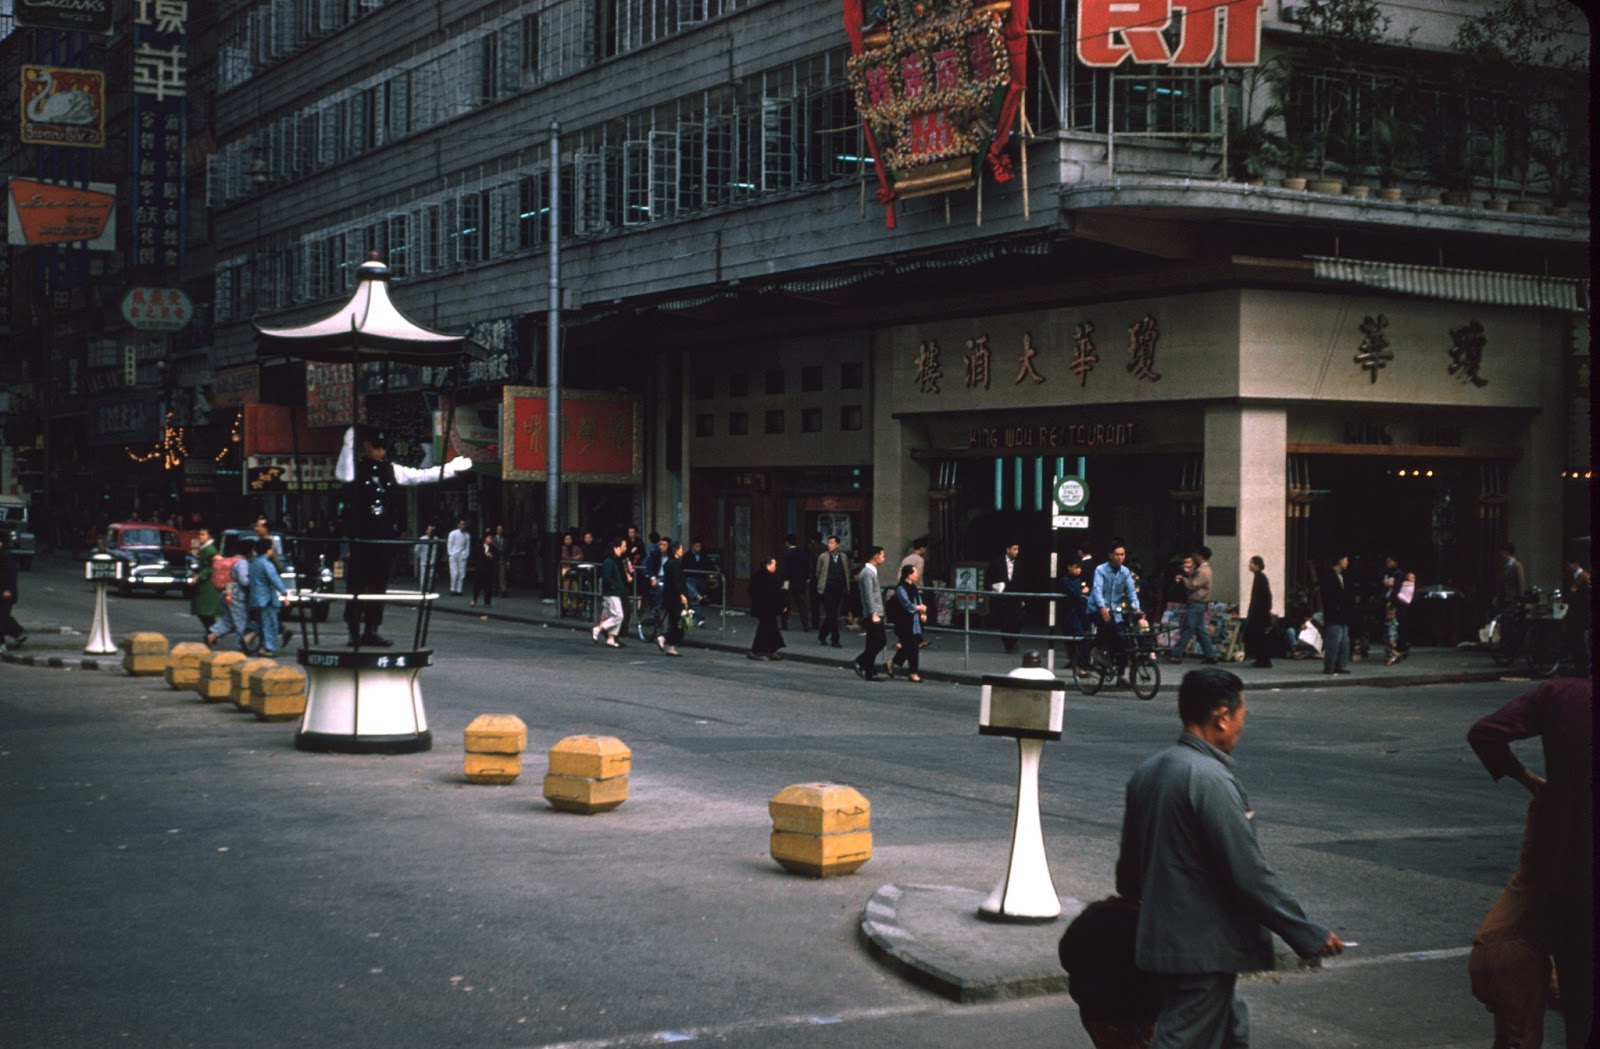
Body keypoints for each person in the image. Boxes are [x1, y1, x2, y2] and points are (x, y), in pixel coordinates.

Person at [1116, 667, 1347, 1048]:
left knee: (1231, 1030)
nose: (1242, 724)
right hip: (1201, 948)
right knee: (1182, 1037)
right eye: (1242, 715)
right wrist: (1307, 933)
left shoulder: (1150, 771)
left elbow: (1128, 873)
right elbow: (1249, 874)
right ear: (1222, 717)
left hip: (1168, 940)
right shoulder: (1209, 779)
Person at [1467, 679, 1593, 1049]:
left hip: (1571, 876)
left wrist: (1525, 777)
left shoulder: (1561, 695)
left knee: (1580, 1005)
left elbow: (1485, 733)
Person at [336, 425, 472, 647]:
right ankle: (353, 629)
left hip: (383, 534)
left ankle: (372, 628)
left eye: (382, 448)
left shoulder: (392, 470)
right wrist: (347, 445)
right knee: (357, 584)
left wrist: (449, 469)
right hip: (361, 535)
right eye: (375, 447)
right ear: (366, 447)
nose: (380, 452)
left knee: (379, 584)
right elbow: (342, 473)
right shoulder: (355, 469)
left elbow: (420, 476)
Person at [1058, 895, 1159, 1049]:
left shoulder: (1093, 915)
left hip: (1095, 1011)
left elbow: (1066, 952)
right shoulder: (1146, 922)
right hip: (1136, 1013)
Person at [1089, 542, 1143, 686]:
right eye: (1117, 554)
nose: (1120, 557)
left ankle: (1120, 674)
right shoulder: (1101, 570)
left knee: (1124, 641)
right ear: (1111, 556)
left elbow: (1131, 592)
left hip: (1115, 610)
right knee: (1108, 627)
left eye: (1122, 555)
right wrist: (1102, 607)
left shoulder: (1125, 572)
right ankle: (1097, 650)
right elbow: (1097, 589)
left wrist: (1137, 608)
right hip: (1096, 608)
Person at [1168, 546, 1219, 665]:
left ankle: (1176, 654)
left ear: (1200, 556)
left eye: (1196, 555)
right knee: (1201, 630)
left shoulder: (1202, 571)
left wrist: (1183, 578)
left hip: (1196, 603)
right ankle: (1210, 655)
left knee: (1188, 628)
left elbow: (1193, 585)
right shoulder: (1206, 569)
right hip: (1199, 604)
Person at [244, 538, 289, 656]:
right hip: (267, 598)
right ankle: (268, 648)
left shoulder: (253, 563)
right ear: (268, 551)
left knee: (260, 623)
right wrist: (284, 593)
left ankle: (248, 639)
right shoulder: (267, 564)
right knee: (270, 624)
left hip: (255, 598)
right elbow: (275, 579)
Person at [852, 545, 888, 680]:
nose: (883, 558)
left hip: (875, 612)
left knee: (872, 642)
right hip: (874, 613)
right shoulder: (867, 573)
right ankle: (860, 661)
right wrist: (873, 613)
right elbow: (868, 595)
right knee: (880, 641)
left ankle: (869, 671)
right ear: (875, 556)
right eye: (882, 555)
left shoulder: (871, 572)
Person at [887, 562, 927, 681]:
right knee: (913, 647)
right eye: (914, 572)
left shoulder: (913, 587)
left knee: (909, 646)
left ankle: (891, 663)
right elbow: (906, 604)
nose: (917, 574)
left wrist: (922, 612)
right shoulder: (901, 588)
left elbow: (918, 601)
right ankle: (913, 673)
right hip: (904, 622)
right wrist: (920, 608)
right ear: (908, 575)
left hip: (914, 622)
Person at [189, 527, 225, 643]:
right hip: (204, 583)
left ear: (209, 536)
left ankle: (211, 633)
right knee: (205, 611)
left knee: (205, 611)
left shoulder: (209, 549)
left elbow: (212, 565)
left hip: (208, 584)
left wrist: (199, 576)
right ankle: (211, 633)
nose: (200, 537)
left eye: (203, 535)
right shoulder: (205, 548)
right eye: (199, 534)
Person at [987, 542, 1025, 653]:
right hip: (1002, 597)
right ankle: (1008, 645)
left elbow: (1022, 581)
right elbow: (989, 577)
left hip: (1016, 597)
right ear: (1008, 549)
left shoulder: (1020, 563)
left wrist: (1022, 598)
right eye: (1014, 549)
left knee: (1018, 619)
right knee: (1004, 621)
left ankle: (1013, 640)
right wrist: (993, 588)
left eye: (1018, 549)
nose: (1016, 552)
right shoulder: (997, 562)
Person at [1318, 553, 1352, 675]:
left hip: (1342, 614)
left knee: (1344, 641)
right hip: (1334, 614)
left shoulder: (1341, 575)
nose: (1347, 562)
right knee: (1334, 641)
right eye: (1345, 559)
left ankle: (1340, 665)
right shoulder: (1329, 575)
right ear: (1339, 560)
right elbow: (1328, 596)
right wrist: (1335, 608)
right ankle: (1330, 667)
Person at [592, 536, 629, 649]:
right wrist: (616, 586)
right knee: (618, 616)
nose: (624, 549)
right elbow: (607, 577)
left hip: (613, 592)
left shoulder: (612, 560)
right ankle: (598, 628)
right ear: (615, 548)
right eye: (622, 547)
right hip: (612, 592)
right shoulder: (610, 561)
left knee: (614, 615)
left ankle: (611, 639)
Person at [815, 536, 852, 649]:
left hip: (839, 588)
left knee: (832, 614)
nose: (829, 545)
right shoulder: (823, 557)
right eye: (828, 543)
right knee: (832, 613)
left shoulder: (844, 557)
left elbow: (846, 571)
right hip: (827, 588)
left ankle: (822, 635)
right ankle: (835, 639)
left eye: (831, 543)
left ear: (837, 544)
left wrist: (846, 586)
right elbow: (818, 572)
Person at [747, 555, 786, 660]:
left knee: (770, 628)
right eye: (774, 565)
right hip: (768, 608)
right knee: (765, 629)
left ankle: (771, 650)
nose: (775, 567)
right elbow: (775, 594)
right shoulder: (769, 578)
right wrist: (781, 606)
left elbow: (751, 591)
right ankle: (756, 650)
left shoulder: (758, 576)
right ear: (768, 565)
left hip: (761, 607)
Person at [1057, 558, 1091, 677]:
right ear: (1069, 567)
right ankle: (1078, 664)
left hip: (1080, 612)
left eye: (1079, 568)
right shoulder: (1065, 580)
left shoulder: (1078, 579)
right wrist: (1082, 591)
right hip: (1070, 613)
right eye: (1076, 567)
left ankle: (1082, 664)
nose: (1078, 570)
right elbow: (1075, 593)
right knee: (1076, 637)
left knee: (1084, 636)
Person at [655, 539, 688, 657]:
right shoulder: (675, 563)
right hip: (676, 597)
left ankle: (671, 647)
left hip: (669, 596)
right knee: (679, 623)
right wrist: (682, 595)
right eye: (680, 548)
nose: (682, 551)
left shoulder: (668, 563)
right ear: (676, 550)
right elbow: (676, 581)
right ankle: (663, 637)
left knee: (674, 621)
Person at [1559, 552, 1589, 677]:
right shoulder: (1574, 577)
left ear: (1575, 564)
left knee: (1579, 642)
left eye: (1569, 565)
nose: (1567, 567)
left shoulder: (1583, 577)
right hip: (1575, 614)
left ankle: (1582, 668)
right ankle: (1579, 667)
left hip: (1580, 615)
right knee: (1575, 640)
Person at [1381, 554, 1415, 664]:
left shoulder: (1399, 574)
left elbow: (1397, 589)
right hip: (1389, 601)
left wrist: (1392, 603)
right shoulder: (1388, 574)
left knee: (1394, 628)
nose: (1388, 564)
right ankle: (1393, 651)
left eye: (1390, 561)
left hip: (1396, 603)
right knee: (1389, 629)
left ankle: (1396, 651)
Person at [0, 530, 27, 655]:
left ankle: (2, 644)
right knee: (4, 617)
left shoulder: (6, 555)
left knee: (2, 618)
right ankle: (18, 632)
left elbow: (12, 575)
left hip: (6, 593)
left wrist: (9, 590)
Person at [1244, 556, 1273, 668]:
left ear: (1257, 565)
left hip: (1260, 613)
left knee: (1260, 637)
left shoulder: (1260, 578)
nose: (1249, 565)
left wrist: (1265, 611)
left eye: (1251, 563)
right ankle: (1261, 659)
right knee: (1258, 637)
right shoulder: (1259, 577)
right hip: (1259, 612)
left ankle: (1264, 660)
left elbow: (1266, 596)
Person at [780, 534, 811, 631]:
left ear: (787, 542)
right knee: (802, 604)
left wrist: (783, 584)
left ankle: (784, 623)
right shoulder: (801, 553)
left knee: (785, 603)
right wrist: (806, 578)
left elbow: (784, 571)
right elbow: (808, 567)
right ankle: (805, 625)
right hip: (800, 582)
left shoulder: (786, 554)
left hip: (788, 582)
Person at [1495, 542, 1526, 613]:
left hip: (1513, 600)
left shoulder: (1517, 566)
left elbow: (1521, 584)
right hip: (1504, 600)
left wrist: (1519, 601)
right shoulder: (1504, 566)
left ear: (1507, 552)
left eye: (1502, 551)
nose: (1500, 554)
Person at [469, 529, 496, 608]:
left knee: (488, 587)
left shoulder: (493, 549)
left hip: (489, 570)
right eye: (489, 538)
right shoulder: (478, 547)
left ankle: (487, 602)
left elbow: (496, 558)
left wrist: (492, 557)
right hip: (480, 569)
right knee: (477, 585)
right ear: (485, 539)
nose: (491, 540)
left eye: (491, 538)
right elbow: (474, 556)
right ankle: (474, 600)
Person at [446, 519, 471, 596]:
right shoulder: (453, 533)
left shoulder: (467, 535)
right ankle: (453, 589)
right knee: (454, 572)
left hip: (462, 554)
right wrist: (451, 554)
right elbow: (449, 544)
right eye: (461, 524)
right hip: (454, 554)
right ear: (458, 525)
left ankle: (459, 590)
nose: (463, 526)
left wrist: (466, 555)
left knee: (462, 573)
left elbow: (467, 546)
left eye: (464, 524)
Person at [412, 524, 438, 588]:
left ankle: (429, 589)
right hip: (424, 561)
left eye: (432, 530)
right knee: (423, 576)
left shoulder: (436, 539)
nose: (431, 531)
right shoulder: (422, 539)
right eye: (429, 530)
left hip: (432, 561)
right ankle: (423, 589)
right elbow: (416, 550)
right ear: (426, 531)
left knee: (431, 576)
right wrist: (420, 557)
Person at [493, 524, 511, 596]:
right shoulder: (493, 539)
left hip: (502, 559)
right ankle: (495, 590)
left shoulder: (505, 540)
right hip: (494, 559)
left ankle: (503, 590)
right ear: (496, 530)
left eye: (501, 529)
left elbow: (507, 551)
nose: (499, 530)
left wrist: (508, 561)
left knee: (502, 575)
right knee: (495, 575)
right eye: (498, 529)